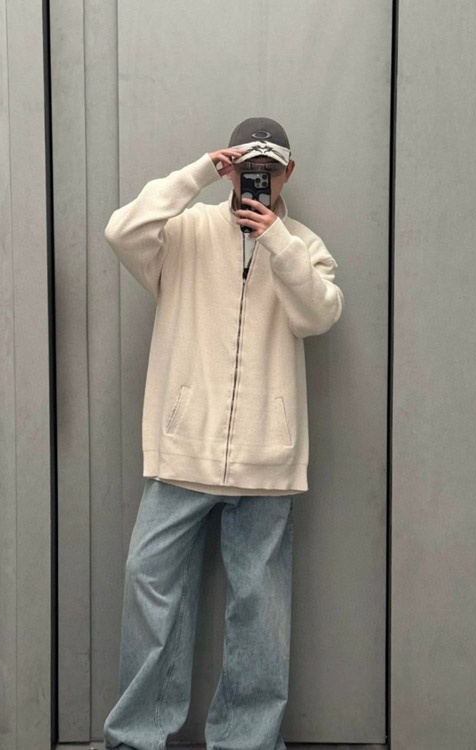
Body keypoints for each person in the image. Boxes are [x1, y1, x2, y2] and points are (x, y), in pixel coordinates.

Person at [102, 117, 343, 750]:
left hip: (267, 459)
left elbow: (318, 314)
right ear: (231, 168)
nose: (257, 179)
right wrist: (197, 173)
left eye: (269, 169)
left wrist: (277, 242)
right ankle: (136, 738)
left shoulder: (303, 244)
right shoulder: (184, 233)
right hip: (183, 454)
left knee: (260, 612)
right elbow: (121, 230)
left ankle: (247, 742)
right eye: (247, 167)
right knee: (149, 587)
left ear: (288, 173)